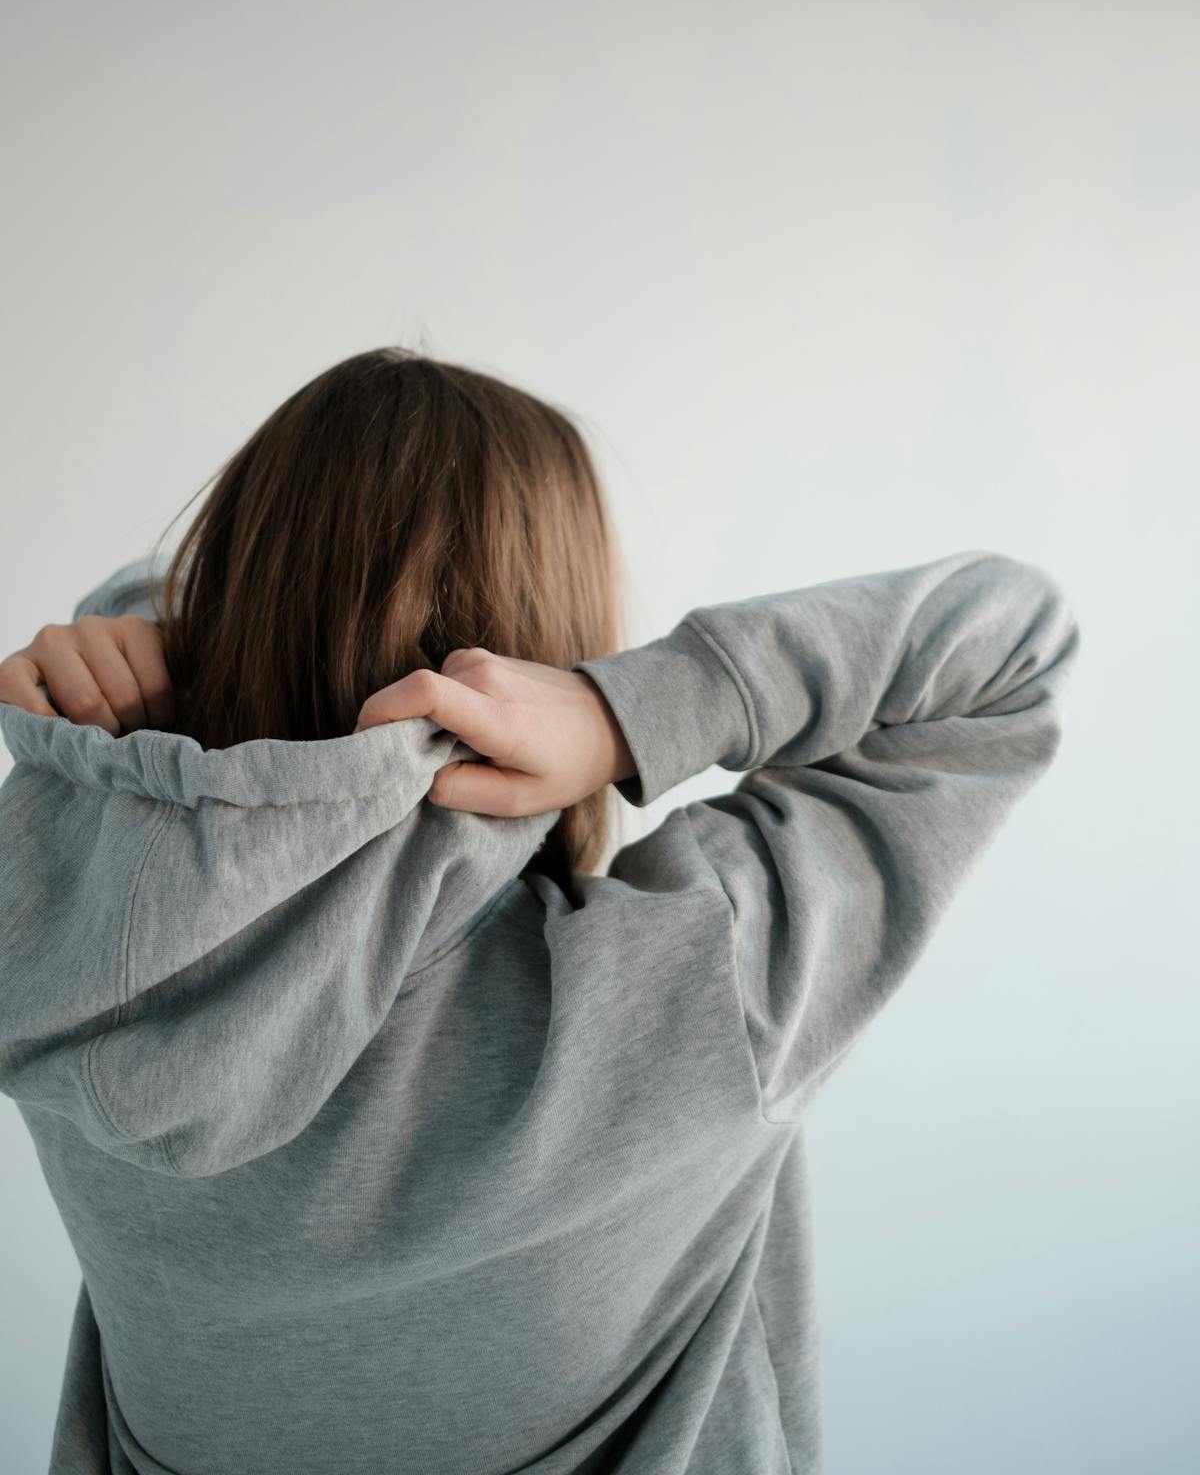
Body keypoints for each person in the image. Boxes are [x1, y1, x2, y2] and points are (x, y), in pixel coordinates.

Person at [0, 347, 1081, 1475]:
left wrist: (136, 653)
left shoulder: (76, 972)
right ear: (545, 650)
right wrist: (627, 716)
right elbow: (1012, 646)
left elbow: (133, 740)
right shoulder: (688, 990)